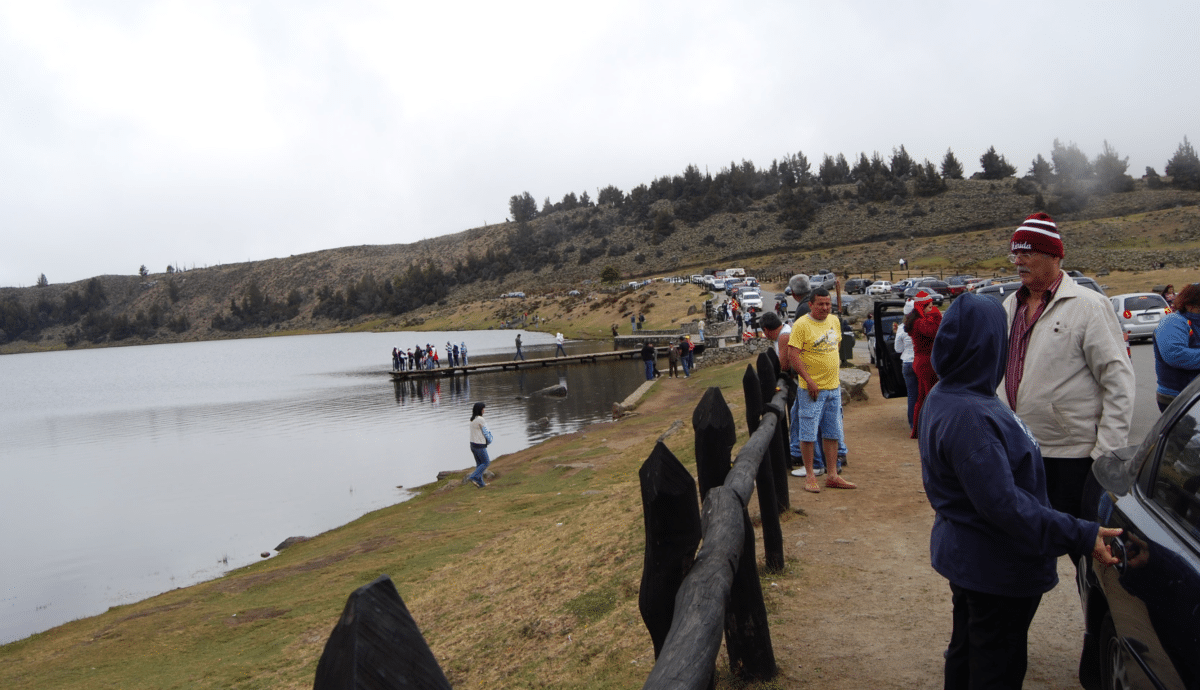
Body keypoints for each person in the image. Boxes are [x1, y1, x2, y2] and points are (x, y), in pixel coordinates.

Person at [918, 292, 1121, 690]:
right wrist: (1081, 533)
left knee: (968, 652)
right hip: (994, 567)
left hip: (972, 558)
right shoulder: (971, 417)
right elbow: (1004, 506)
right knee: (996, 669)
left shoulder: (952, 395)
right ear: (991, 343)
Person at [1000, 212, 1134, 519]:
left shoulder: (1089, 306)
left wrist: (1105, 456)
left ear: (1053, 256)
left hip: (1072, 457)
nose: (1019, 261)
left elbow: (1118, 381)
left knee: (1081, 545)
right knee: (1030, 539)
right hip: (1019, 452)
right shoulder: (1010, 306)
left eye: (1027, 253)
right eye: (1015, 254)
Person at [787, 286, 855, 493]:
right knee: (808, 432)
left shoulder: (834, 321)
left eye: (828, 304)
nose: (825, 308)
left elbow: (836, 346)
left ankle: (832, 474)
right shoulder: (802, 325)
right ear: (811, 304)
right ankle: (810, 475)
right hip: (811, 389)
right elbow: (793, 354)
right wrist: (808, 379)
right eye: (821, 304)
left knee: (832, 431)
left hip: (833, 387)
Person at [1153, 282, 1200, 411]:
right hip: (1176, 396)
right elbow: (1175, 355)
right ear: (1189, 305)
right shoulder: (1173, 322)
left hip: (1195, 394)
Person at [909, 290, 942, 439]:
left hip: (920, 362)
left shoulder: (916, 321)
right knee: (931, 397)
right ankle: (931, 431)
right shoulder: (921, 322)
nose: (932, 308)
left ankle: (918, 430)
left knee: (922, 398)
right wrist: (936, 314)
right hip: (926, 363)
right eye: (930, 306)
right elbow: (935, 331)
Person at [895, 302, 919, 429]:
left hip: (907, 363)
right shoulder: (923, 325)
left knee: (912, 395)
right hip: (921, 362)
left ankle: (913, 425)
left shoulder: (901, 328)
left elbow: (898, 349)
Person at [466, 402, 493, 488]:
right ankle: (473, 477)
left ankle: (481, 484)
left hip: (472, 445)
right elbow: (486, 432)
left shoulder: (472, 420)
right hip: (479, 445)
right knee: (486, 462)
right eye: (483, 409)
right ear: (480, 410)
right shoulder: (480, 419)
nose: (484, 411)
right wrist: (490, 440)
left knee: (479, 464)